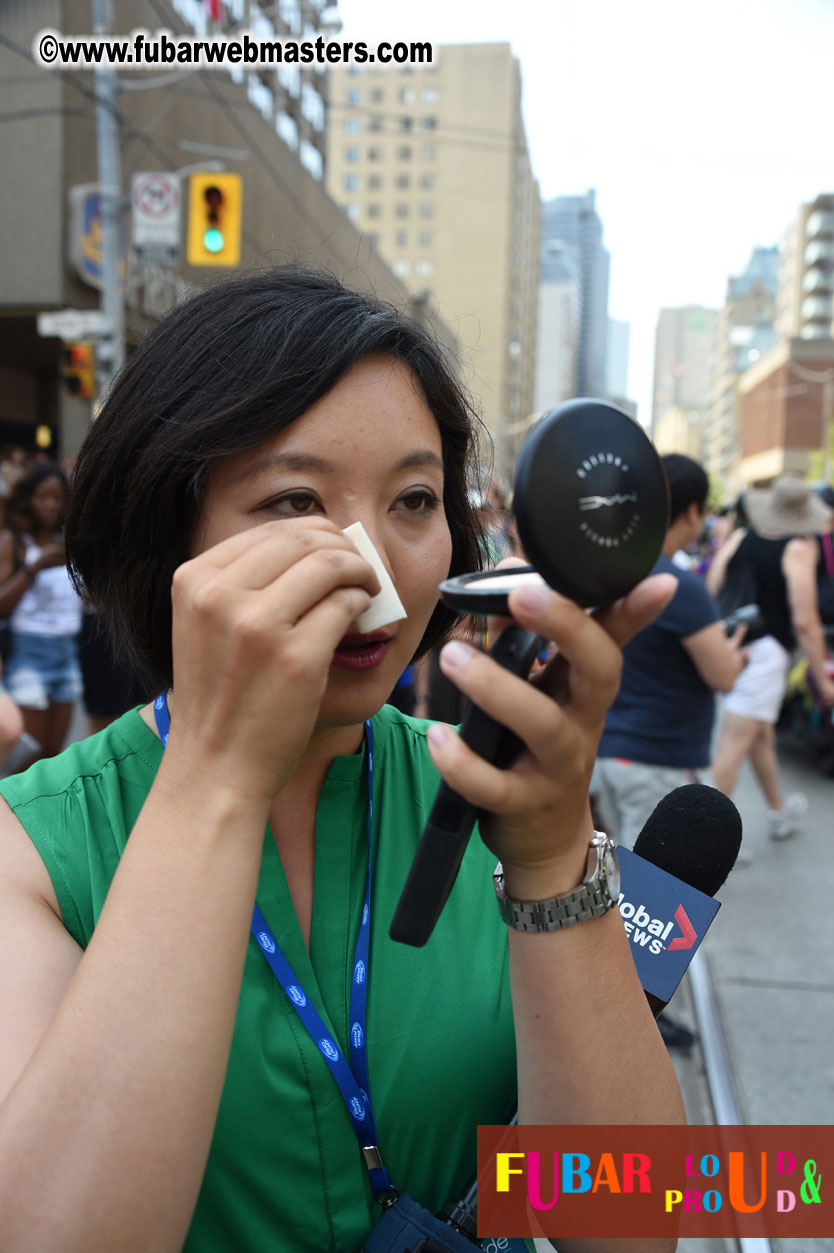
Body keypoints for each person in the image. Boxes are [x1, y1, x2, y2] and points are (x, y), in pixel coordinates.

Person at [0, 268, 682, 1253]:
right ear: (166, 528)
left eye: (414, 497)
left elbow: (633, 1221)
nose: (371, 561)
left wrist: (550, 856)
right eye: (292, 500)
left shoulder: (489, 792)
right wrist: (219, 779)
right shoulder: (34, 848)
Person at [593, 454, 748, 852]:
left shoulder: (610, 570)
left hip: (610, 753)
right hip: (659, 762)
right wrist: (733, 655)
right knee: (649, 898)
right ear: (693, 510)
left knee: (621, 876)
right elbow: (723, 676)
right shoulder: (679, 586)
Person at [706, 475, 834, 838]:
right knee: (733, 745)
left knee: (758, 735)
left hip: (730, 645)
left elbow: (712, 587)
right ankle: (704, 840)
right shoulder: (798, 547)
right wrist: (822, 678)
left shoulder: (741, 538)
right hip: (765, 654)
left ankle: (777, 811)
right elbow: (804, 619)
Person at [0, 463, 83, 765]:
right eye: (41, 496)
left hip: (67, 652)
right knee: (25, 759)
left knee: (52, 760)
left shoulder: (69, 542)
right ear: (28, 499)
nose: (50, 504)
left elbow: (85, 600)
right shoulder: (16, 542)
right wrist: (34, 568)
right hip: (29, 652)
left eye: (57, 497)